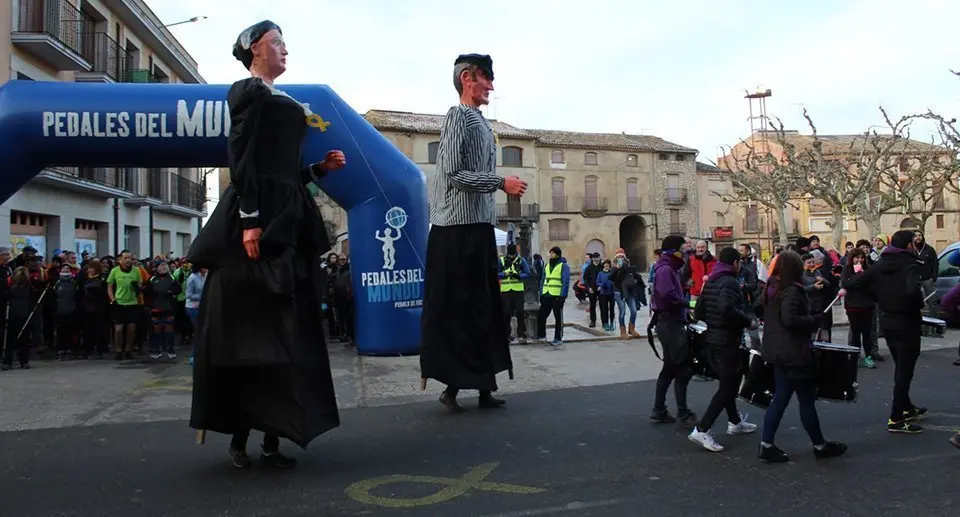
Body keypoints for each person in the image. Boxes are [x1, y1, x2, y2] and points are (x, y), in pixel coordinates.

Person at [186, 20, 346, 469]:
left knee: (286, 334)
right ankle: (239, 438)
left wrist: (317, 170)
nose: (284, 48)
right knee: (249, 332)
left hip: (288, 218)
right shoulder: (249, 92)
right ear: (254, 50)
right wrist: (250, 220)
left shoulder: (282, 98)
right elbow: (243, 156)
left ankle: (275, 438)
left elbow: (282, 169)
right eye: (275, 42)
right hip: (256, 224)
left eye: (283, 41)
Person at [419, 53, 528, 412]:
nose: (492, 87)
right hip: (455, 232)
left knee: (483, 310)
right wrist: (500, 182)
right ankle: (451, 388)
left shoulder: (481, 123)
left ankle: (483, 386)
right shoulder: (458, 117)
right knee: (459, 311)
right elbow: (451, 173)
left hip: (478, 229)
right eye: (486, 79)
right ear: (468, 78)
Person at [757, 250, 847, 462]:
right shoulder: (791, 291)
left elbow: (767, 313)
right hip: (794, 352)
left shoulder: (771, 287)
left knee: (781, 398)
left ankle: (767, 444)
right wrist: (813, 320)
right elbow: (790, 319)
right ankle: (818, 445)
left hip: (776, 350)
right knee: (805, 399)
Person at [844, 230, 927, 433]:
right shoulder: (910, 264)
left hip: (888, 320)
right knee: (904, 370)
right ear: (908, 246)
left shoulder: (879, 265)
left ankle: (906, 407)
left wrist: (879, 297)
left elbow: (851, 283)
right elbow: (912, 292)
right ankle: (896, 418)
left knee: (900, 364)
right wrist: (917, 301)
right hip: (907, 321)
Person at [689, 247, 759, 452]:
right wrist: (747, 321)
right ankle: (702, 429)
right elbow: (727, 308)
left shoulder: (712, 280)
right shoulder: (729, 281)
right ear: (735, 263)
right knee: (728, 386)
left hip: (713, 337)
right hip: (726, 339)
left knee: (731, 381)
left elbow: (699, 310)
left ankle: (735, 422)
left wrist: (714, 320)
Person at [650, 235, 697, 426]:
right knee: (682, 367)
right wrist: (689, 303)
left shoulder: (669, 268)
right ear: (674, 251)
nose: (685, 253)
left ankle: (659, 409)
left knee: (669, 368)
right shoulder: (665, 270)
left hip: (670, 322)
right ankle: (683, 412)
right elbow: (667, 295)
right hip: (669, 323)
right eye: (683, 249)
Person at [839, 247, 876, 368]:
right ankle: (855, 356)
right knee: (855, 332)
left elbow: (872, 285)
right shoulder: (847, 269)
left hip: (867, 305)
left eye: (861, 258)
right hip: (853, 306)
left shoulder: (868, 269)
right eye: (857, 258)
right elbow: (846, 283)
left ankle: (868, 356)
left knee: (867, 332)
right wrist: (859, 277)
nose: (859, 260)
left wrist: (859, 280)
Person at [536, 247, 570, 346]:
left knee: (558, 318)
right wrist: (541, 293)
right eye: (550, 253)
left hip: (557, 295)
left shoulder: (564, 266)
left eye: (553, 253)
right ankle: (542, 335)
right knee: (541, 315)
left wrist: (563, 296)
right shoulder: (546, 265)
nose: (551, 255)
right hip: (546, 294)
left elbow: (565, 282)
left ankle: (558, 338)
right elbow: (543, 280)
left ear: (558, 255)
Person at [498, 243, 531, 343]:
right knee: (506, 313)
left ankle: (521, 335)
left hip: (518, 290)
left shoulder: (521, 260)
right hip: (506, 290)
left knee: (520, 313)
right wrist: (504, 274)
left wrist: (518, 276)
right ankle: (507, 335)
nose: (512, 255)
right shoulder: (502, 260)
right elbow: (496, 272)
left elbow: (527, 273)